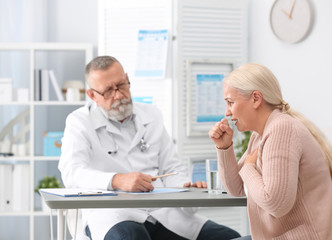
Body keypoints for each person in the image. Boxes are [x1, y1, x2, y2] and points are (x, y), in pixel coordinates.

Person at [58, 56, 241, 240]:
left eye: (121, 85)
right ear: (92, 95)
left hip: (161, 212)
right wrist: (116, 180)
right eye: (108, 91)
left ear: (128, 79)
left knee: (229, 237)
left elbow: (172, 168)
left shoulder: (151, 114)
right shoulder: (79, 122)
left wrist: (186, 187)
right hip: (114, 214)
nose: (119, 95)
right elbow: (72, 172)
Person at [209, 63, 332, 240]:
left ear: (256, 98)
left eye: (230, 102)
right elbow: (236, 187)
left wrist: (248, 167)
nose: (227, 112)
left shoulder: (282, 129)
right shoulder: (261, 134)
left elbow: (276, 204)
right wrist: (224, 147)